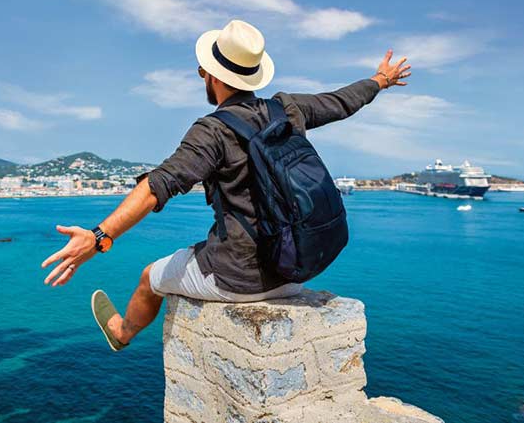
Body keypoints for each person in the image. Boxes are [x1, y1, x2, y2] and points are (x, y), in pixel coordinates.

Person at [41, 19, 411, 351]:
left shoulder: (213, 131)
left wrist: (98, 237)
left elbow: (158, 185)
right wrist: (381, 80)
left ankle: (122, 333)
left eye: (204, 71)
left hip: (238, 279)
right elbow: (341, 102)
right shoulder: (287, 109)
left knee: (149, 278)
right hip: (296, 269)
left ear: (213, 77)